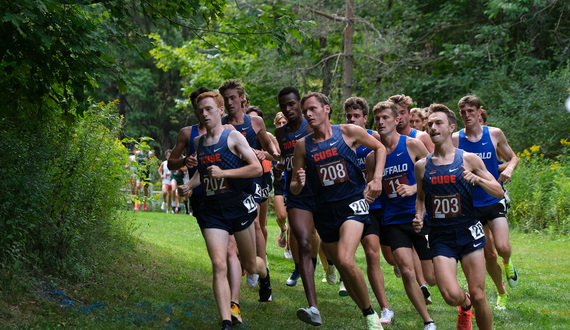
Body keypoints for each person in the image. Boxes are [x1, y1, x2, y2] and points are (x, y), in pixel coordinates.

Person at [290, 92, 387, 329]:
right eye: (306, 112)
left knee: (345, 258)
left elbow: (380, 147)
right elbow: (293, 187)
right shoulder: (303, 145)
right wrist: (299, 183)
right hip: (324, 211)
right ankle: (368, 312)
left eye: (313, 109)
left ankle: (372, 317)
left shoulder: (348, 132)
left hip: (353, 204)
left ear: (327, 109)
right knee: (343, 265)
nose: (309, 115)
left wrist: (376, 179)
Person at [182, 91, 270, 330]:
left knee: (250, 265)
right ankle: (226, 321)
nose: (204, 114)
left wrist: (225, 173)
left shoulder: (233, 136)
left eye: (209, 109)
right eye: (200, 110)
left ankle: (264, 274)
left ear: (221, 110)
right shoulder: (199, 143)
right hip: (212, 211)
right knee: (219, 263)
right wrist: (189, 185)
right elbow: (203, 171)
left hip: (238, 207)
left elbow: (257, 168)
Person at [414, 103, 503, 330]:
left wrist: (479, 180)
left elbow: (498, 191)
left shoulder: (468, 159)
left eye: (438, 123)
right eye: (430, 124)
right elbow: (422, 198)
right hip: (440, 236)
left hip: (468, 232)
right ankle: (465, 305)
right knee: (451, 295)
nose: (433, 127)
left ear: (451, 127)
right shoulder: (422, 166)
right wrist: (419, 215)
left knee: (480, 294)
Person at [366, 101, 435, 330]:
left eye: (385, 117)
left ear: (396, 120)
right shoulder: (372, 158)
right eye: (377, 119)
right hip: (393, 220)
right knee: (406, 271)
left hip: (419, 216)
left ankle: (462, 302)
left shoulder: (412, 145)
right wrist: (367, 195)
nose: (381, 122)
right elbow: (371, 187)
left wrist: (414, 189)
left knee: (434, 278)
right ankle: (428, 321)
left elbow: (434, 175)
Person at [452, 95, 519, 310]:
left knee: (503, 247)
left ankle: (508, 263)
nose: (467, 116)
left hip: (493, 196)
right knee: (489, 254)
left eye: (470, 111)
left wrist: (507, 168)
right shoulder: (455, 139)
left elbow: (513, 157)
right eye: (463, 112)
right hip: (471, 204)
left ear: (480, 112)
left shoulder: (494, 134)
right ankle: (501, 292)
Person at [219, 79, 279, 292]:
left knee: (254, 223)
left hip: (252, 178)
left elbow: (274, 154)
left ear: (242, 98)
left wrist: (266, 154)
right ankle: (243, 265)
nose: (229, 102)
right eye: (225, 99)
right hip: (229, 179)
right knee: (231, 231)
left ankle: (262, 271)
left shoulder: (255, 122)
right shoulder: (221, 124)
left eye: (233, 97)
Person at [274, 87, 323, 325]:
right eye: (284, 105)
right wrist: (280, 168)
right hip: (297, 193)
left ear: (299, 105)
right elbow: (285, 159)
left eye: (292, 104)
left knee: (333, 249)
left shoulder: (313, 127)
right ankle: (313, 306)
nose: (288, 109)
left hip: (323, 192)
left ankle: (335, 270)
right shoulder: (280, 132)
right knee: (303, 241)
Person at [343, 96, 394, 324]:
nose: (352, 120)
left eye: (357, 116)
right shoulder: (341, 140)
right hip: (357, 205)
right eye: (349, 116)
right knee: (363, 254)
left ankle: (386, 305)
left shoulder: (374, 139)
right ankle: (380, 308)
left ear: (365, 118)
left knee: (383, 255)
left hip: (380, 203)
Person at [388, 95, 435, 304]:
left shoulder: (420, 139)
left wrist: (413, 188)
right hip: (395, 211)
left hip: (421, 205)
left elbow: (435, 170)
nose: (398, 117)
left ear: (409, 113)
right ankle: (420, 285)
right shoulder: (384, 140)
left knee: (433, 276)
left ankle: (426, 283)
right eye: (394, 113)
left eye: (401, 112)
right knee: (395, 258)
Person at [272, 112, 288, 248]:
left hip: (293, 180)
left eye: (284, 122)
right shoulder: (272, 140)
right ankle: (283, 229)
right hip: (279, 182)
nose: (282, 125)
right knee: (282, 216)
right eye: (279, 123)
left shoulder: (294, 139)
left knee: (295, 221)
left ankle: (291, 249)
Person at [134, 142, 154, 211]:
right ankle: (137, 204)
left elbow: (152, 163)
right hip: (139, 172)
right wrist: (137, 167)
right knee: (137, 186)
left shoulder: (150, 153)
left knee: (145, 189)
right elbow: (136, 161)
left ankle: (144, 202)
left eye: (145, 144)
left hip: (146, 173)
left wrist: (147, 161)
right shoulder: (137, 153)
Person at [158, 149, 173, 213]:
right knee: (164, 192)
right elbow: (159, 170)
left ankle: (168, 210)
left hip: (172, 181)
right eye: (167, 155)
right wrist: (161, 175)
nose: (168, 156)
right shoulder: (164, 163)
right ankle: (164, 201)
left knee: (170, 197)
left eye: (169, 155)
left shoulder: (174, 163)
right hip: (165, 181)